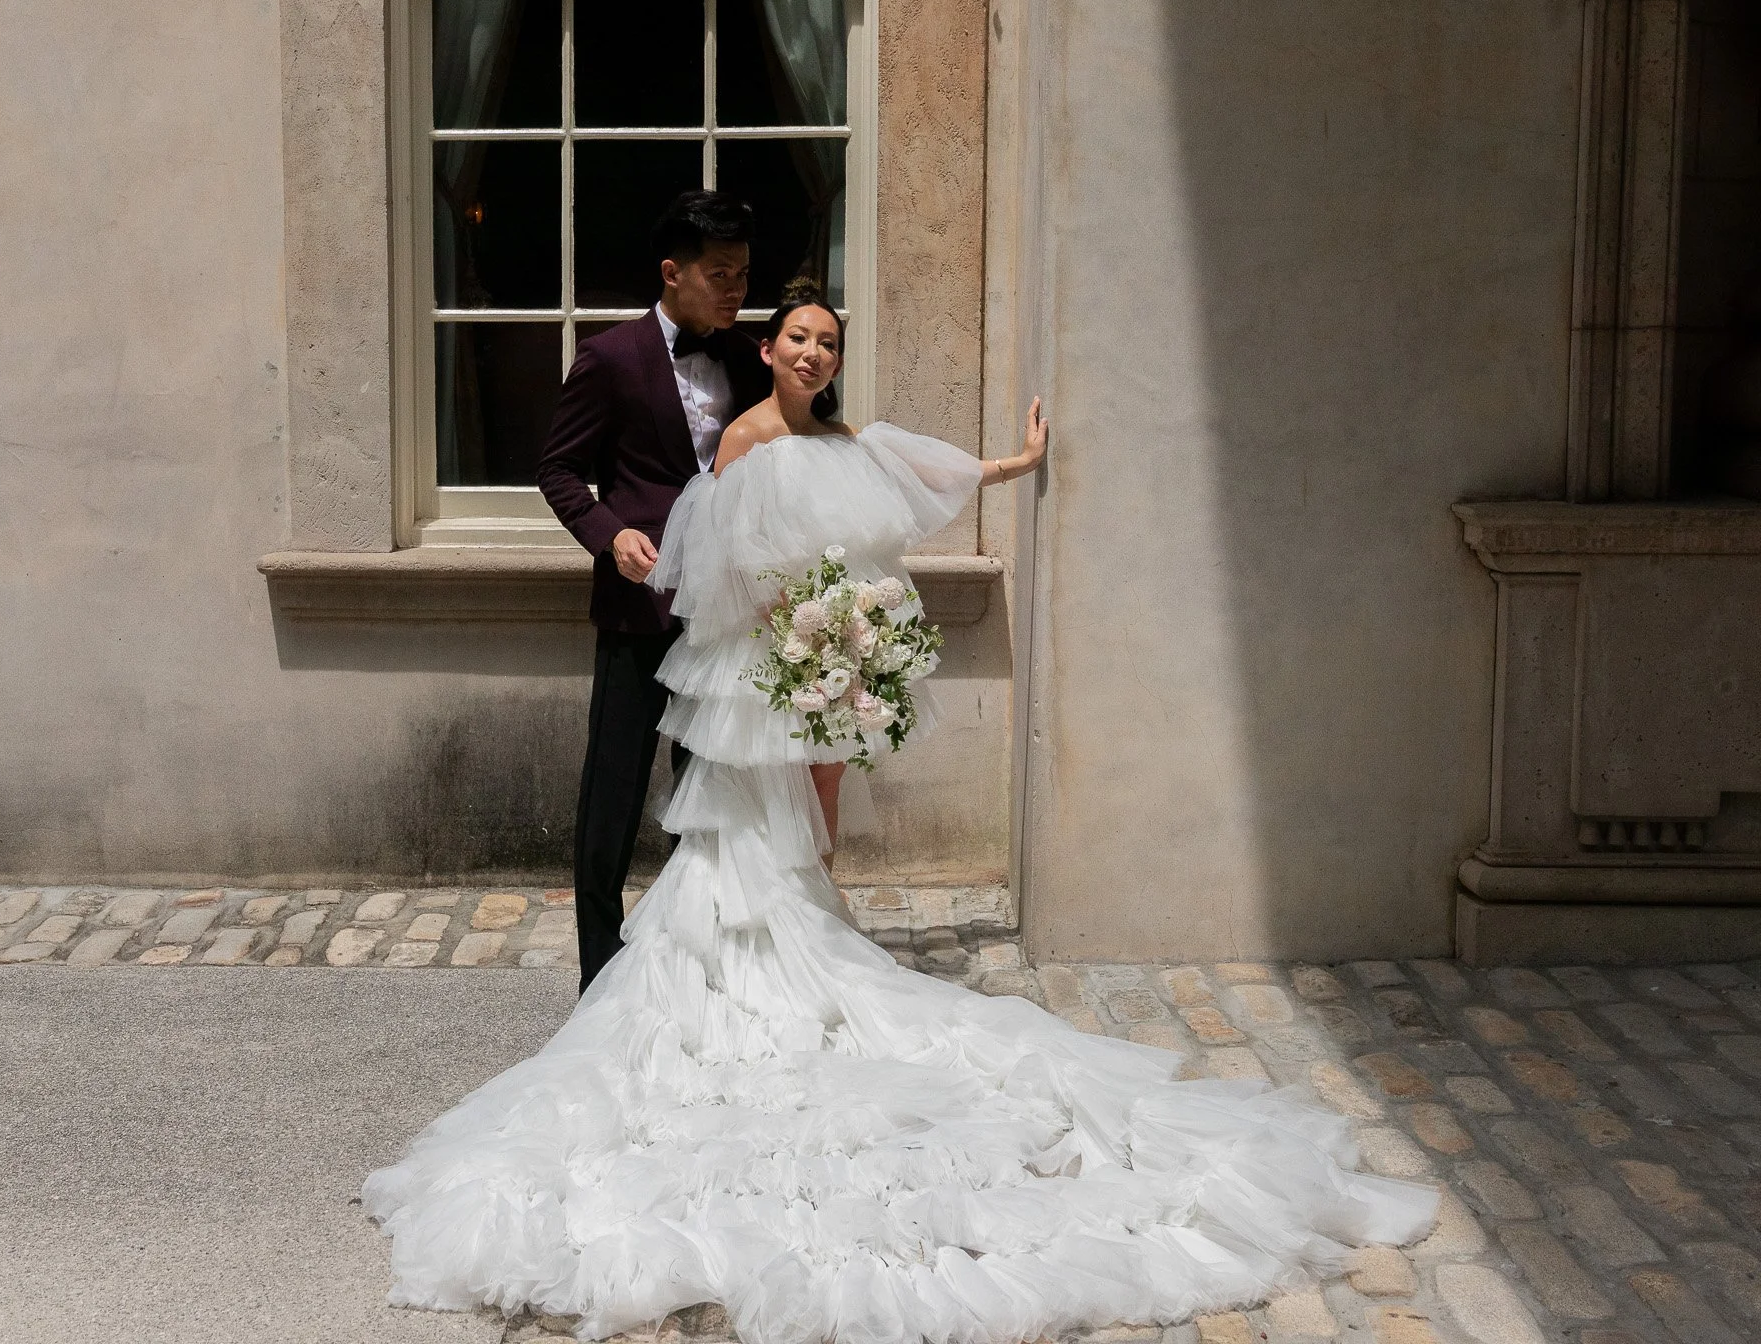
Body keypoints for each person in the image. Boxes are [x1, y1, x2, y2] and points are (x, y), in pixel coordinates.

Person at [366, 281, 1438, 1344]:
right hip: (756, 683)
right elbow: (718, 570)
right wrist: (793, 634)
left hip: (817, 672)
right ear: (770, 347)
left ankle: (803, 932)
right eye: (797, 338)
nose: (813, 355)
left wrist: (1008, 472)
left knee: (811, 848)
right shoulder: (739, 442)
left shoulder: (847, 441)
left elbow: (920, 479)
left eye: (828, 342)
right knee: (744, 856)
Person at [535, 189, 773, 992]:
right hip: (639, 611)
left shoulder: (747, 360)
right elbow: (559, 471)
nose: (736, 290)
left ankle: (684, 967)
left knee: (702, 794)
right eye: (720, 275)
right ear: (672, 274)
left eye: (743, 273)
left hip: (723, 614)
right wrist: (609, 535)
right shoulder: (609, 358)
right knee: (614, 791)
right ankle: (599, 976)